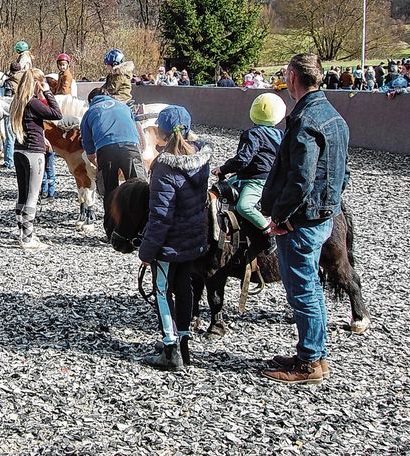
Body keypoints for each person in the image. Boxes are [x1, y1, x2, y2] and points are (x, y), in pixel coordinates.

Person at [260, 53, 350, 385]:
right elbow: (343, 172)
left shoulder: (305, 120)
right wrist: (331, 205)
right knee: (310, 287)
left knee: (303, 290)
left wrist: (282, 216)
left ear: (293, 77)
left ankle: (309, 361)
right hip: (322, 215)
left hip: (302, 220)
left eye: (286, 74)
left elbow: (301, 178)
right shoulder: (334, 116)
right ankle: (313, 354)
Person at [139, 105, 212, 370]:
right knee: (184, 288)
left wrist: (147, 251)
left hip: (169, 243)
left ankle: (170, 349)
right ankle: (184, 343)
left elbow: (160, 216)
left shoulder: (163, 167)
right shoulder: (201, 158)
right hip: (193, 238)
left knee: (161, 291)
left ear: (161, 133)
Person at [212, 93, 286, 239]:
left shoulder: (252, 134)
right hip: (261, 177)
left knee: (244, 206)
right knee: (223, 187)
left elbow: (242, 160)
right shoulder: (280, 135)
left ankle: (268, 231)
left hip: (257, 181)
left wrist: (223, 169)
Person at [10, 68, 62, 250]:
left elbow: (29, 124)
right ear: (37, 83)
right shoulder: (33, 102)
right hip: (34, 152)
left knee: (22, 194)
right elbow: (57, 114)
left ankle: (22, 232)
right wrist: (47, 92)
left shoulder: (17, 101)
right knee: (32, 196)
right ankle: (27, 239)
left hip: (19, 150)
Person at [80, 87, 146, 208]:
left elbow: (90, 152)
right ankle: (141, 216)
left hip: (106, 149)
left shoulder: (90, 112)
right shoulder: (124, 106)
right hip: (131, 145)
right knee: (139, 187)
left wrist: (99, 165)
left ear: (91, 101)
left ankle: (111, 218)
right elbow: (136, 128)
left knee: (109, 190)